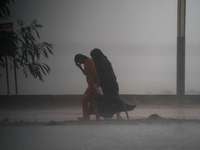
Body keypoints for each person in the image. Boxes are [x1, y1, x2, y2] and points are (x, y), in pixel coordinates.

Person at [89, 48, 136, 119]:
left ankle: (114, 114)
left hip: (108, 84)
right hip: (111, 83)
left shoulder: (100, 62)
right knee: (113, 100)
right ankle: (118, 114)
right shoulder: (104, 61)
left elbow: (104, 74)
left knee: (112, 100)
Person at [74, 54, 101, 120]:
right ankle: (97, 115)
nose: (80, 63)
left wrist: (97, 81)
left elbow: (93, 72)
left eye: (79, 61)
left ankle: (86, 116)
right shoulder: (88, 61)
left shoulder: (87, 62)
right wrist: (80, 67)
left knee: (84, 99)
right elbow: (87, 73)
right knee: (93, 100)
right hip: (92, 83)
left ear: (80, 58)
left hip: (92, 84)